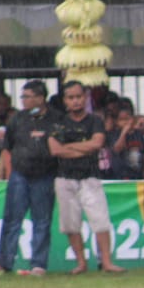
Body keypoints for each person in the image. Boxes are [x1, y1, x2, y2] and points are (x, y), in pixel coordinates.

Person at [49, 81, 126, 275]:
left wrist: (69, 148)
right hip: (65, 178)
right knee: (70, 223)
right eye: (71, 97)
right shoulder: (58, 122)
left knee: (100, 219)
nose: (75, 101)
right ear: (65, 100)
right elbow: (55, 150)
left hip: (90, 177)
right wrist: (81, 148)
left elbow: (97, 144)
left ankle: (107, 262)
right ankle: (81, 263)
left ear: (85, 98)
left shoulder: (95, 121)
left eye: (78, 97)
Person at [0, 79, 60, 276]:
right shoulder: (18, 119)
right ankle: (4, 263)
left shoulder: (55, 118)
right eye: (23, 97)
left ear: (40, 98)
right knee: (12, 219)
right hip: (19, 174)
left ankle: (38, 265)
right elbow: (8, 147)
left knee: (41, 221)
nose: (23, 101)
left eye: (27, 97)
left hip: (44, 176)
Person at [105, 98, 144, 180]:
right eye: (121, 120)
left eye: (127, 119)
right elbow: (117, 149)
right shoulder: (114, 134)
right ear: (116, 122)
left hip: (136, 176)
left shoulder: (138, 134)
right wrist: (124, 132)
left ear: (133, 119)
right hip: (119, 176)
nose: (125, 122)